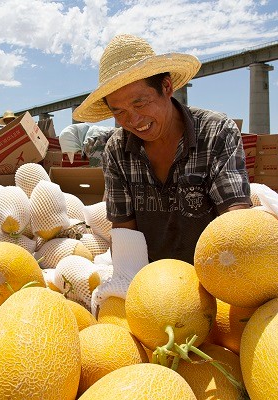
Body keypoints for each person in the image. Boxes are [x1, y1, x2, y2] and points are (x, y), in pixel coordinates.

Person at [72, 34, 251, 264]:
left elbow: (236, 222)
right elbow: (125, 237)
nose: (134, 119)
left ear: (166, 86)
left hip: (216, 272)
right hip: (151, 283)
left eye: (140, 103)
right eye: (119, 112)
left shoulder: (216, 132)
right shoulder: (117, 151)